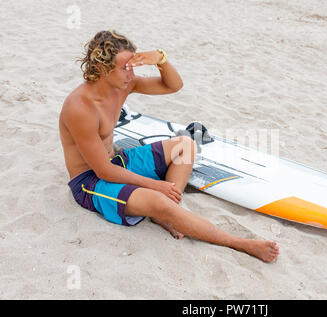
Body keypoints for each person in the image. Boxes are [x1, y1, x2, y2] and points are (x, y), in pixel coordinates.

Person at [59, 30, 279, 263]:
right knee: (161, 200)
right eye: (125, 68)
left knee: (186, 145)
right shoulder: (80, 108)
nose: (131, 74)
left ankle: (164, 215)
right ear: (102, 69)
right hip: (90, 181)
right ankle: (240, 244)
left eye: (132, 66)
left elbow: (173, 85)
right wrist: (157, 186)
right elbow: (103, 172)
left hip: (115, 163)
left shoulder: (123, 85)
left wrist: (161, 60)